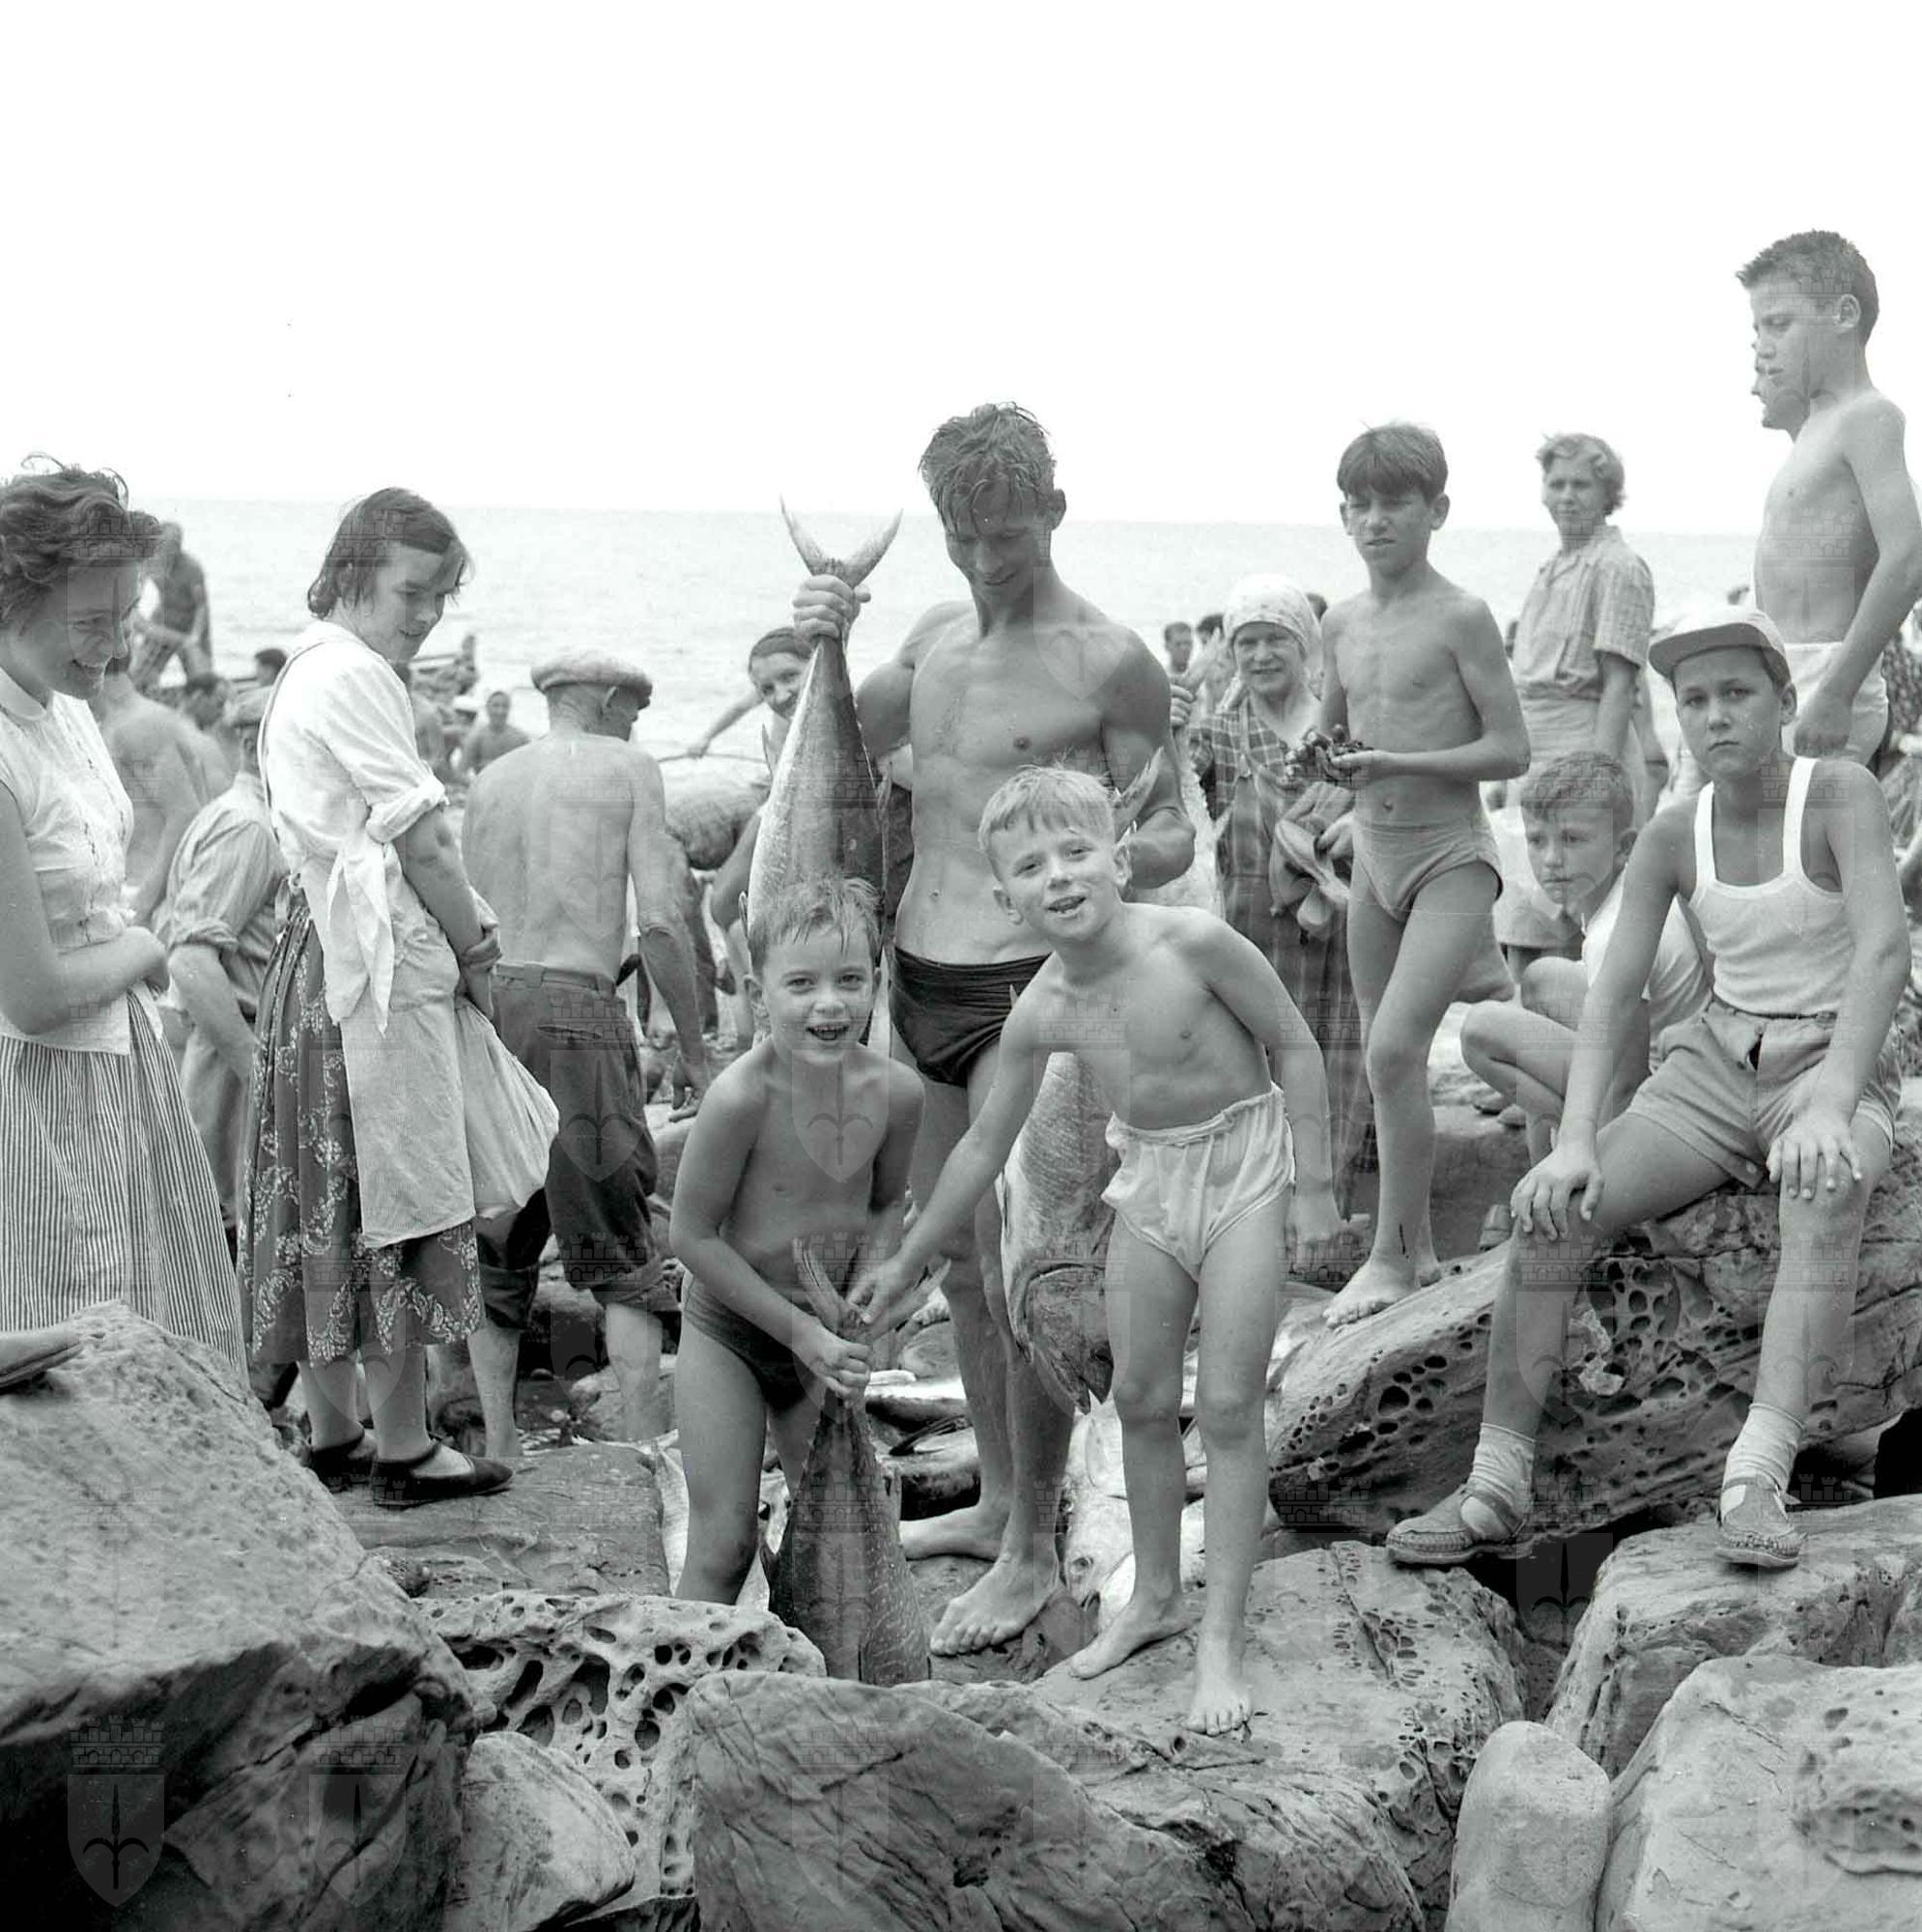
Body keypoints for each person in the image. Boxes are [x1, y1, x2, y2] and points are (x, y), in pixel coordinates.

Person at [795, 402, 1195, 1654]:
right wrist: (820, 636)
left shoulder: (1110, 661)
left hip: (1041, 988)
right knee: (964, 1265)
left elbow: (1171, 827)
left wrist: (1099, 872)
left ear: (1053, 514)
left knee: (1031, 1266)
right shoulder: (929, 648)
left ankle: (1030, 1551)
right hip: (921, 977)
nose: (982, 560)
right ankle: (998, 1502)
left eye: (1006, 536)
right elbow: (827, 757)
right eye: (961, 537)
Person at [1389, 610, 1908, 1573]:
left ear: (1784, 699)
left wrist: (1834, 1100)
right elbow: (1614, 989)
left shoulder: (1837, 794)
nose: (1715, 716)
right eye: (1694, 700)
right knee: (1554, 1210)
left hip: (1829, 1054)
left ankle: (1757, 1472)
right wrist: (1576, 1137)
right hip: (1713, 1062)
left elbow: (1883, 951)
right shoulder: (1674, 831)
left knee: (1825, 1186)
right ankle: (1494, 1484)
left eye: (1737, 693)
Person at [855, 767, 1338, 1731]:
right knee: (1142, 1400)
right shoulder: (1044, 1007)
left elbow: (1293, 1042)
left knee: (1229, 1407)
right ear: (1006, 899)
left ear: (1120, 858)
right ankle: (1155, 1597)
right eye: (1032, 866)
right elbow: (983, 1144)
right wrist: (908, 1257)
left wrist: (1316, 1188)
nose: (1060, 876)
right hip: (1148, 1180)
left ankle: (1222, 1638)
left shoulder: (1191, 941)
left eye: (1077, 852)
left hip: (1244, 1170)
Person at [240, 487, 510, 1508]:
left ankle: (335, 1427)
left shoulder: (308, 666)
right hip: (366, 965)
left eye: (442, 596)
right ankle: (404, 1447)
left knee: (321, 1193)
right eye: (412, 591)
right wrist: (478, 951)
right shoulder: (358, 674)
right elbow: (424, 837)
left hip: (315, 955)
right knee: (390, 1190)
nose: (428, 614)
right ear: (353, 573)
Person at [0, 464, 243, 1364]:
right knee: (72, 1360)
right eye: (90, 623)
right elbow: (32, 995)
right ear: (13, 599)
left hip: (114, 1073)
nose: (114, 649)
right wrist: (144, 946)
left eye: (125, 619)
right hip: (35, 1095)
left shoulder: (62, 707)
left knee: (147, 1350)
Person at [463, 648, 711, 1459]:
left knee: (497, 1237)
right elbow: (662, 922)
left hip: (489, 1005)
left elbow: (460, 914)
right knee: (620, 1244)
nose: (636, 725)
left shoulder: (489, 780)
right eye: (634, 710)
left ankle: (500, 1447)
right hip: (576, 1010)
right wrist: (695, 1048)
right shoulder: (629, 767)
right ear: (607, 699)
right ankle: (643, 1452)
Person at [1316, 424, 1530, 1326]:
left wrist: (1398, 762)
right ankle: (1422, 1249)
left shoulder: (1462, 616)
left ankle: (1391, 1259)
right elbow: (1333, 733)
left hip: (1450, 856)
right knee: (1386, 1058)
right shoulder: (1339, 621)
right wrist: (1317, 763)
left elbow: (1511, 749)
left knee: (1395, 1049)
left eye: (1394, 504)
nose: (1374, 520)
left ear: (1436, 511)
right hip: (1374, 855)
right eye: (1358, 505)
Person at [671, 877, 922, 1604]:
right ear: (759, 995)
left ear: (878, 982)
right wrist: (801, 1332)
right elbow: (691, 1236)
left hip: (825, 1343)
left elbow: (886, 1204)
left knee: (839, 1555)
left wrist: (865, 1295)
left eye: (850, 981)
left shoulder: (897, 1094)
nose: (829, 1004)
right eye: (802, 984)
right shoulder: (739, 1098)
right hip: (731, 1334)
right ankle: (682, 1668)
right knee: (723, 1547)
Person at [1179, 574, 1371, 1210]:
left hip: (1335, 934)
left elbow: (1386, 806)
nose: (1260, 655)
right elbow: (1179, 816)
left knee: (1337, 1063)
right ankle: (1256, 1218)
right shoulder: (1218, 733)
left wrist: (1356, 823)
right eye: (1246, 642)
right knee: (1252, 1075)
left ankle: (1323, 1214)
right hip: (1248, 939)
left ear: (1304, 644)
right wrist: (1168, 734)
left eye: (1276, 639)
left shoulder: (1340, 727)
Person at [1460, 752, 1709, 1177]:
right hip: (1669, 1053)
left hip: (1663, 1091)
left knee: (1481, 1030)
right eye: (1537, 841)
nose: (1551, 859)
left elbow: (1626, 1081)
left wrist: (1594, 1150)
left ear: (1623, 847)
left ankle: (1561, 1158)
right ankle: (1546, 1152)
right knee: (1540, 979)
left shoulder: (1613, 932)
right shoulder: (1626, 891)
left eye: (1572, 840)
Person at [1745, 231, 1922, 768]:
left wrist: (1838, 693)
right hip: (1787, 669)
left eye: (1779, 323)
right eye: (1757, 329)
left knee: (1807, 822)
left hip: (1826, 674)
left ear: (1844, 314)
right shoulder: (1814, 428)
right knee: (1773, 823)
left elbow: (1908, 557)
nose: (1764, 344)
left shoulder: (1868, 416)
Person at [1491, 435, 1656, 972]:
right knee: (1524, 921)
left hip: (1584, 746)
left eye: (1581, 485)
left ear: (1609, 494)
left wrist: (1596, 785)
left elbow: (1618, 687)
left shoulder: (1618, 567)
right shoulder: (1554, 567)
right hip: (1534, 757)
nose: (1567, 496)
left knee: (1577, 921)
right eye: (1557, 483)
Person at [162, 681, 288, 1250]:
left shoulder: (239, 816)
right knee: (223, 1229)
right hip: (231, 1056)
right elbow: (191, 959)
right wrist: (258, 1071)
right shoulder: (249, 827)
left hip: (225, 1050)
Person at [700, 627, 817, 1039]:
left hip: (801, 813)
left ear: (815, 666)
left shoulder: (838, 707)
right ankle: (755, 1018)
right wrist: (705, 738)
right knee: (723, 904)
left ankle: (767, 1010)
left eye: (791, 677)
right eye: (767, 688)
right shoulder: (779, 701)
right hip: (778, 803)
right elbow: (737, 707)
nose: (780, 694)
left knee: (729, 904)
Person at [89, 660, 212, 928]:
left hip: (147, 899)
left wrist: (140, 906)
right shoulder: (115, 724)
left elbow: (184, 813)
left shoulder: (138, 724)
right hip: (134, 894)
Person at [127, 521, 212, 688]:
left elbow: (202, 606)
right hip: (165, 617)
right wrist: (135, 624)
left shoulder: (192, 567)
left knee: (201, 677)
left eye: (174, 545)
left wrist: (196, 635)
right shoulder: (150, 562)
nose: (169, 551)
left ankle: (199, 692)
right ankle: (146, 692)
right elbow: (135, 594)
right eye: (165, 545)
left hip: (190, 621)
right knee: (140, 673)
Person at [181, 670, 236, 794]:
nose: (221, 713)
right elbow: (221, 792)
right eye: (219, 704)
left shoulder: (164, 731)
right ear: (198, 698)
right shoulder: (201, 743)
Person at [455, 690, 529, 781]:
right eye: (496, 706)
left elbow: (531, 769)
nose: (500, 711)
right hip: (484, 784)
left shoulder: (520, 738)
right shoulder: (477, 737)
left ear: (509, 709)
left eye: (505, 706)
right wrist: (475, 784)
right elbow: (461, 771)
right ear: (487, 708)